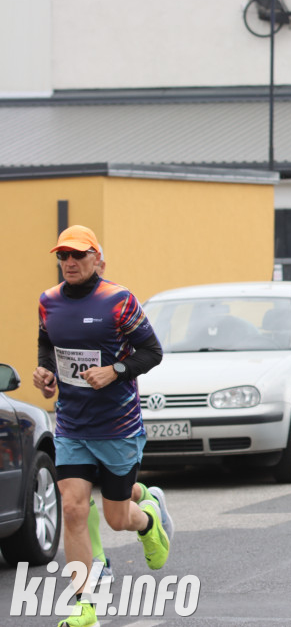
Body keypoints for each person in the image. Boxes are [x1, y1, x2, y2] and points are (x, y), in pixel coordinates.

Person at [33, 226, 170, 627]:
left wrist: (115, 371)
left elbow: (153, 351)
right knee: (73, 510)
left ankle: (147, 519)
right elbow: (47, 341)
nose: (69, 263)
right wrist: (45, 372)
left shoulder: (118, 300)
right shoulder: (48, 301)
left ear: (98, 259)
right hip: (72, 424)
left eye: (78, 255)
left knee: (116, 517)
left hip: (118, 426)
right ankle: (84, 606)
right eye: (63, 256)